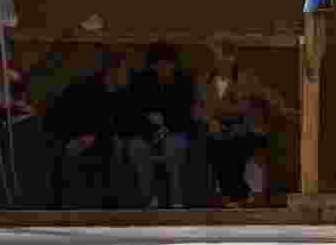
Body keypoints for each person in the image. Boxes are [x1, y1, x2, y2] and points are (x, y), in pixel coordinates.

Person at [196, 39, 297, 207]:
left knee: (245, 145)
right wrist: (210, 121)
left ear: (234, 58)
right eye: (220, 56)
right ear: (214, 59)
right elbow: (197, 108)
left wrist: (285, 109)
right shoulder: (204, 81)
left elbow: (267, 93)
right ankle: (229, 196)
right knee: (216, 149)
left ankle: (245, 197)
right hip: (215, 130)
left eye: (228, 56)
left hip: (241, 128)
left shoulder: (245, 77)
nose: (225, 61)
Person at [45, 52, 131, 209]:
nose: (127, 76)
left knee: (115, 146)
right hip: (75, 136)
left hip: (102, 141)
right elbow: (67, 116)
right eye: (124, 71)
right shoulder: (87, 88)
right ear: (112, 71)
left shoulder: (121, 95)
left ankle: (111, 205)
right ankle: (62, 204)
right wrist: (79, 136)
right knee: (68, 152)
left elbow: (122, 124)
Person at [125, 42, 198, 209]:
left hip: (175, 132)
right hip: (147, 133)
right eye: (159, 64)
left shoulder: (184, 82)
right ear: (152, 65)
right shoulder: (141, 81)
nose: (163, 67)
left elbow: (186, 114)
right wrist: (151, 131)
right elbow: (134, 112)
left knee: (174, 146)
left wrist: (166, 127)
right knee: (136, 147)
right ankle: (149, 200)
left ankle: (176, 201)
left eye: (168, 64)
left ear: (174, 64)